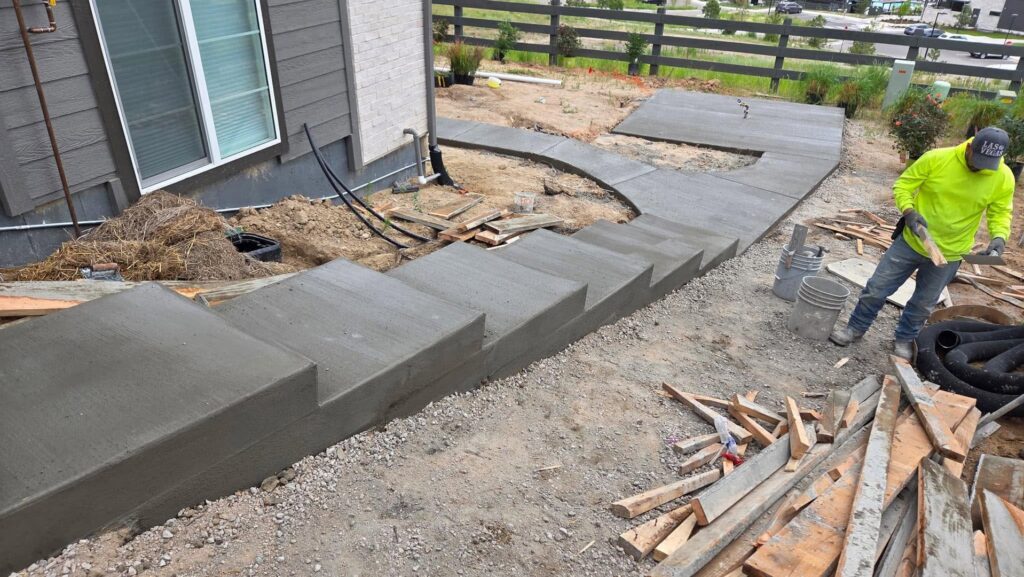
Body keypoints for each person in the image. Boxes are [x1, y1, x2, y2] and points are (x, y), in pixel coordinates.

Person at [830, 126, 1015, 360]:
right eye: (977, 159)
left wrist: (999, 237)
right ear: (969, 147)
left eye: (987, 163)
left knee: (923, 303)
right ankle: (855, 328)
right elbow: (903, 185)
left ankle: (905, 338)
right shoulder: (937, 159)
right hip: (912, 241)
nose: (979, 167)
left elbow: (1000, 212)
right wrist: (909, 212)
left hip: (950, 253)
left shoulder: (1003, 176)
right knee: (876, 288)